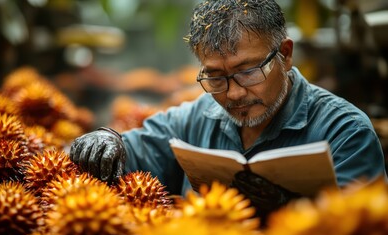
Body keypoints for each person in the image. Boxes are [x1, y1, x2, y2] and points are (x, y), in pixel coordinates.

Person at [70, 0, 386, 221]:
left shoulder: (345, 132)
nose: (233, 93)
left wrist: (286, 208)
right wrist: (108, 140)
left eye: (248, 71)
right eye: (216, 77)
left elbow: (359, 225)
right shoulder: (198, 116)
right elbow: (139, 147)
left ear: (285, 56)